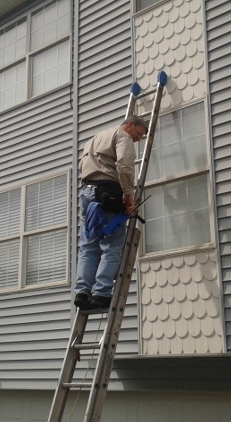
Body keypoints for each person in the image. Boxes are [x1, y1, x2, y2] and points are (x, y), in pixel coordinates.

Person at [74, 115, 148, 310]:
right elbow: (125, 166)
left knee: (88, 246)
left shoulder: (94, 139)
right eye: (139, 134)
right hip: (108, 192)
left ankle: (82, 292)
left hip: (87, 192)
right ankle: (101, 293)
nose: (138, 139)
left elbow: (83, 167)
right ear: (130, 124)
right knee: (112, 245)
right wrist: (128, 198)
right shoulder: (122, 136)